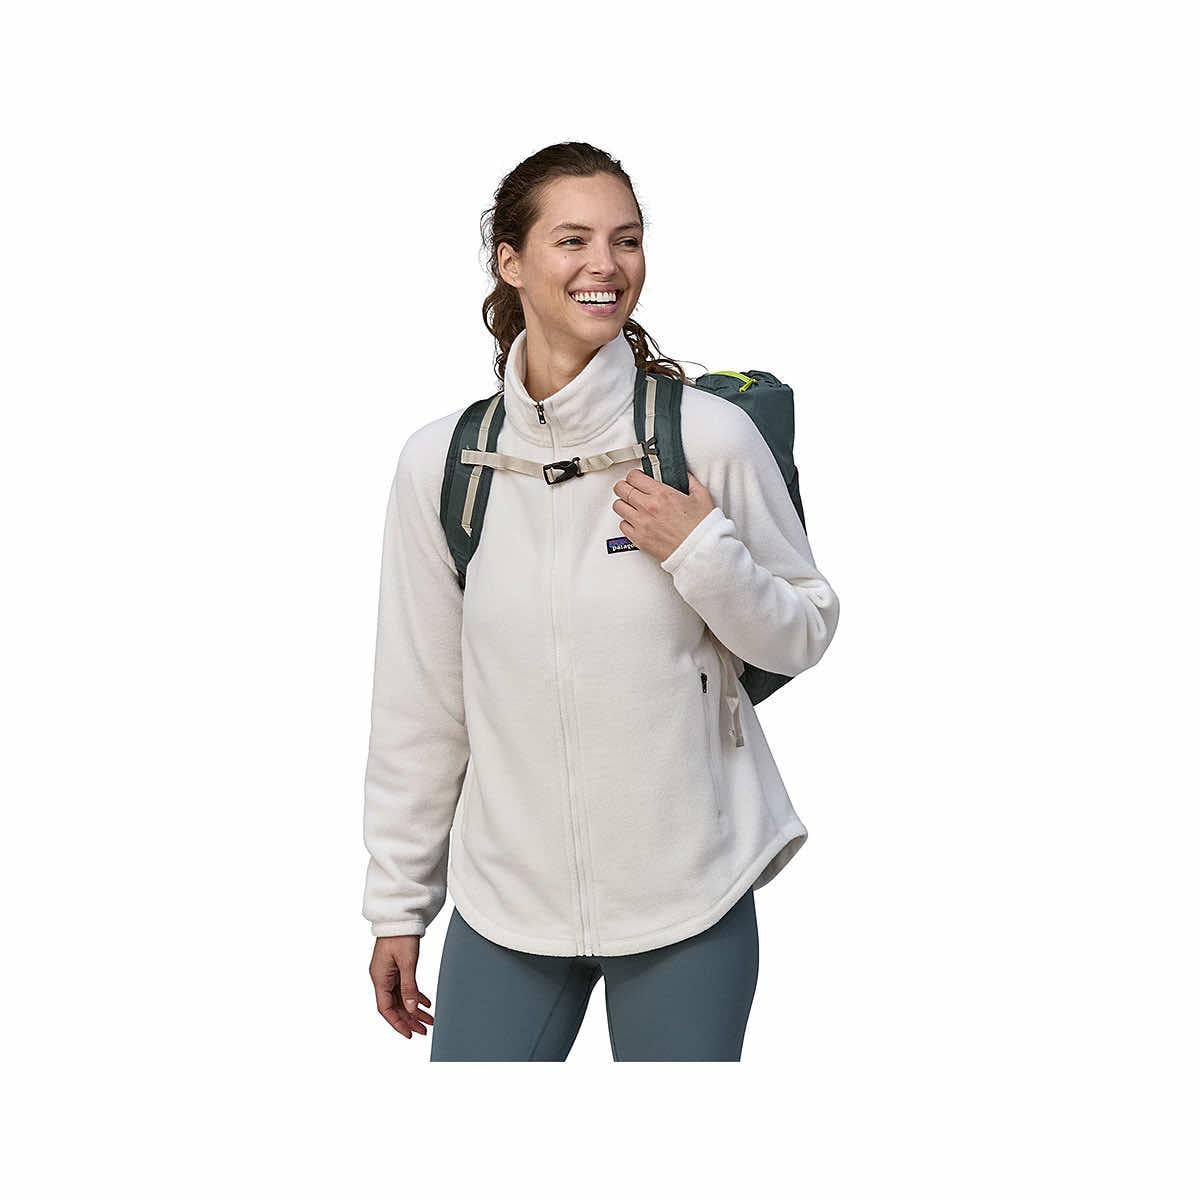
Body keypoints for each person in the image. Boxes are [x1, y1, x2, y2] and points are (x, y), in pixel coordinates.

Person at [362, 141, 840, 1061]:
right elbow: (419, 701)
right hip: (507, 905)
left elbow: (803, 630)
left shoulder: (708, 437)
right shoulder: (444, 463)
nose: (606, 265)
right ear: (511, 262)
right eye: (572, 240)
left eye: (626, 239)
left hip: (687, 897)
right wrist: (399, 903)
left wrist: (700, 550)